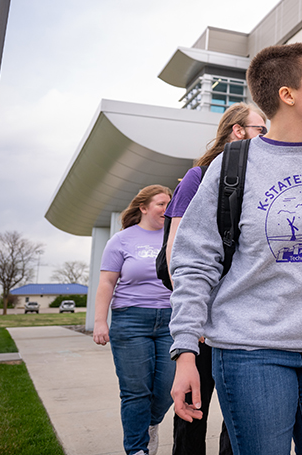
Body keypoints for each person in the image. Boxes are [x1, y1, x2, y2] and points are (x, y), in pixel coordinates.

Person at [168, 42, 302, 455]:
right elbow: (195, 263)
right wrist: (185, 351)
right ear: (287, 95)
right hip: (251, 353)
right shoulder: (233, 165)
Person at [165, 102, 267, 455]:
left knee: (237, 420)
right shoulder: (199, 177)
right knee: (194, 412)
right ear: (238, 131)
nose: (266, 136)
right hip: (205, 321)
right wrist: (196, 321)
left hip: (241, 319)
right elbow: (177, 252)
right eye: (260, 129)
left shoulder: (258, 178)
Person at [94, 184, 175, 455]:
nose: (166, 209)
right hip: (131, 320)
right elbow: (106, 282)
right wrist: (100, 321)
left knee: (166, 390)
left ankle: (150, 425)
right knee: (136, 391)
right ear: (143, 208)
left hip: (170, 321)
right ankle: (137, 449)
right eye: (160, 204)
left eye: (169, 204)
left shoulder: (175, 236)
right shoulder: (122, 240)